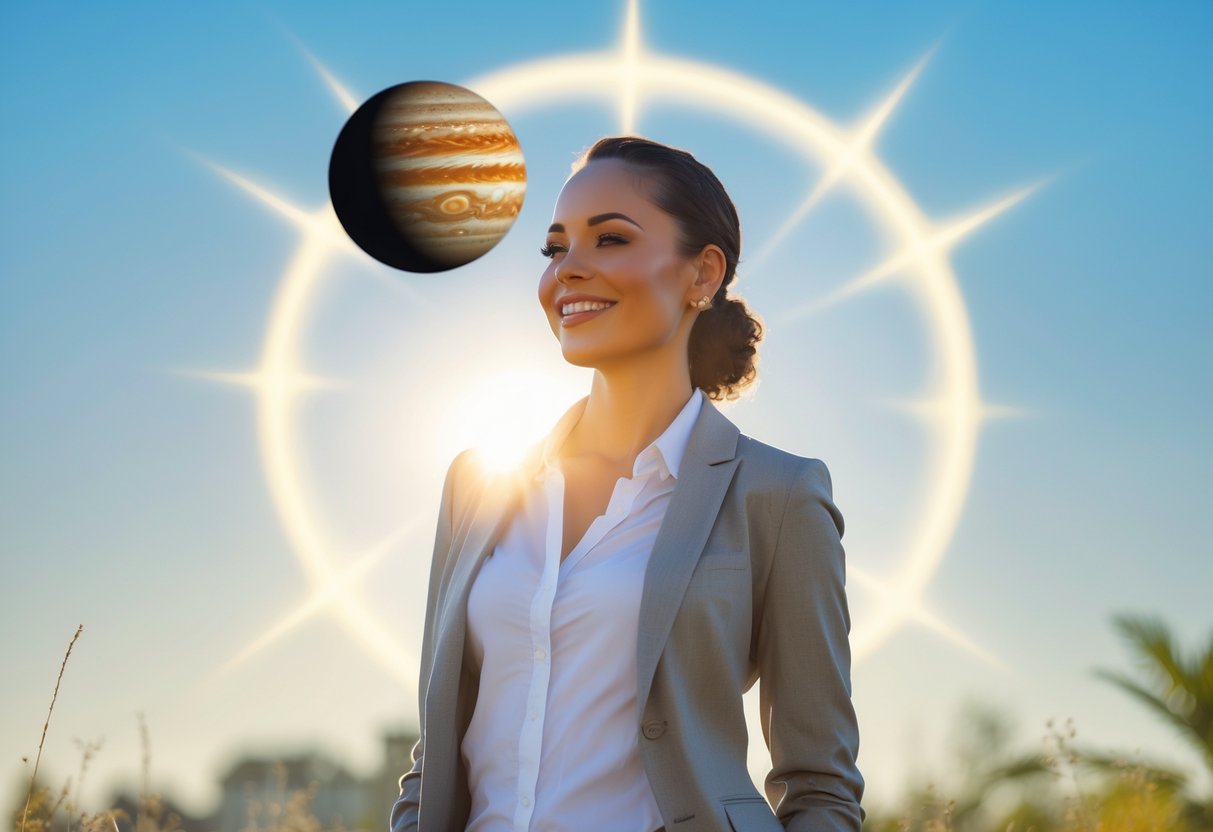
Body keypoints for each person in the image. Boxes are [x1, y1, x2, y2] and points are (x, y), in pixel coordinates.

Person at [391, 136, 863, 832]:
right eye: (555, 249)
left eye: (609, 239)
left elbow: (820, 787)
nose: (568, 271)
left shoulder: (778, 496)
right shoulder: (477, 486)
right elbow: (434, 759)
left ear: (702, 274)